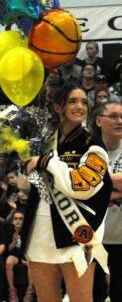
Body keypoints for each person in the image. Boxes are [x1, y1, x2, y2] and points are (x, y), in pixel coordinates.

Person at [24, 84, 112, 301]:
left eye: (84, 102)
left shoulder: (94, 144)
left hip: (77, 234)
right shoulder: (43, 142)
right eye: (72, 101)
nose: (79, 106)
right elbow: (29, 185)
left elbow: (82, 186)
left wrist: (47, 163)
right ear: (57, 107)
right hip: (39, 233)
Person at [91, 101, 122, 302]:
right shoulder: (88, 149)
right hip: (92, 236)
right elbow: (80, 187)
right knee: (94, 292)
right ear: (99, 120)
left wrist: (100, 187)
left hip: (121, 236)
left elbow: (91, 186)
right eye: (113, 116)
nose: (120, 121)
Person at [6, 210, 35, 302]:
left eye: (20, 219)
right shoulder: (9, 230)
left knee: (31, 263)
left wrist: (24, 259)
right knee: (8, 262)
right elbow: (9, 250)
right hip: (14, 256)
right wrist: (14, 241)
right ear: (12, 221)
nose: (18, 221)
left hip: (25, 255)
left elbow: (30, 247)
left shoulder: (28, 231)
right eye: (16, 219)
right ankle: (12, 290)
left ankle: (30, 290)